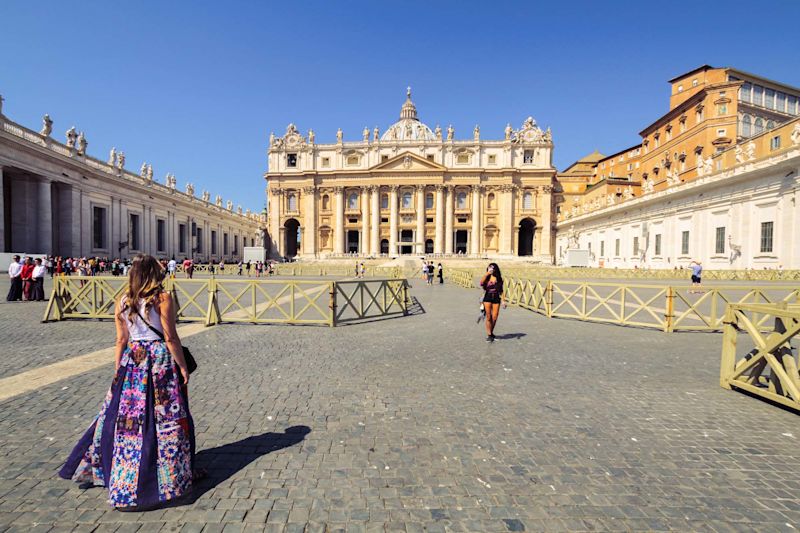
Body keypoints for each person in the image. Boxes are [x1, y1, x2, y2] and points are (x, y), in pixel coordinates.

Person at [59, 254, 196, 510]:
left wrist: (118, 369)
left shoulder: (122, 300)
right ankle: (168, 476)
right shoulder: (163, 298)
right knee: (166, 417)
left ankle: (122, 471)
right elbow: (170, 338)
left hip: (132, 359)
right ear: (154, 274)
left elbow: (121, 340)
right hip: (158, 361)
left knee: (126, 420)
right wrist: (182, 365)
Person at [479, 262, 506, 342]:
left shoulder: (499, 278)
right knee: (488, 317)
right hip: (487, 297)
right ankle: (489, 334)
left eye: (492, 268)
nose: (490, 269)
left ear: (495, 269)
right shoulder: (486, 277)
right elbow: (481, 283)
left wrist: (503, 300)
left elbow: (501, 290)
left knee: (495, 317)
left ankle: (491, 333)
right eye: (489, 267)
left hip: (496, 298)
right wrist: (487, 273)